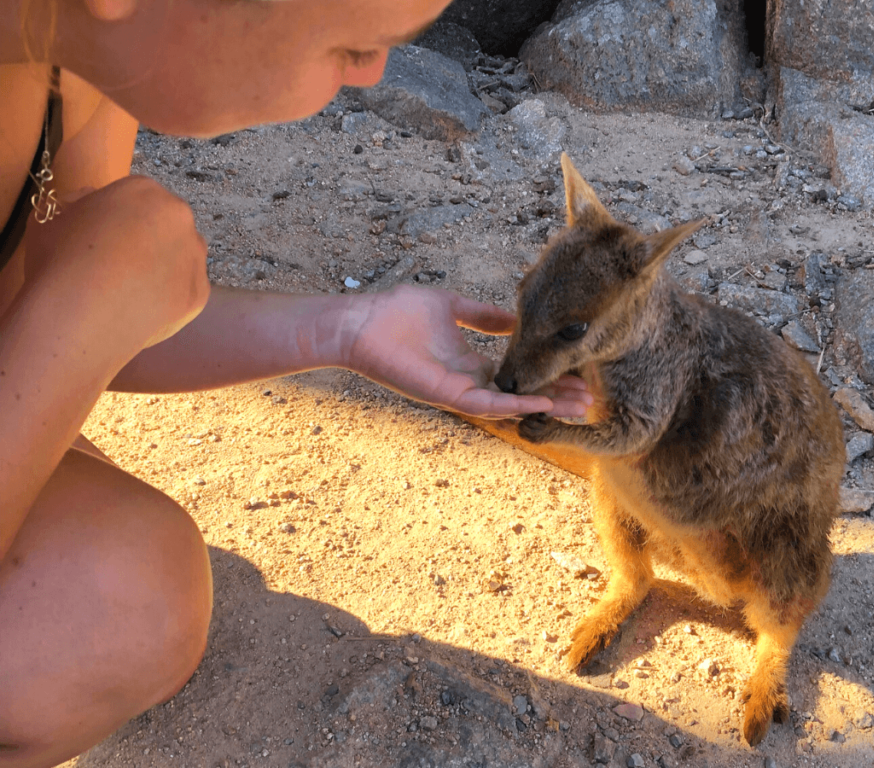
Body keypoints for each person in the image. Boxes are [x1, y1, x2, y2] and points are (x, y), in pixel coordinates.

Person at [0, 1, 592, 765]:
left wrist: (342, 329)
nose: (377, 68)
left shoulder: (71, 65)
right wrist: (70, 323)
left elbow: (82, 317)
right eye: (351, 43)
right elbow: (66, 329)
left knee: (125, 591)